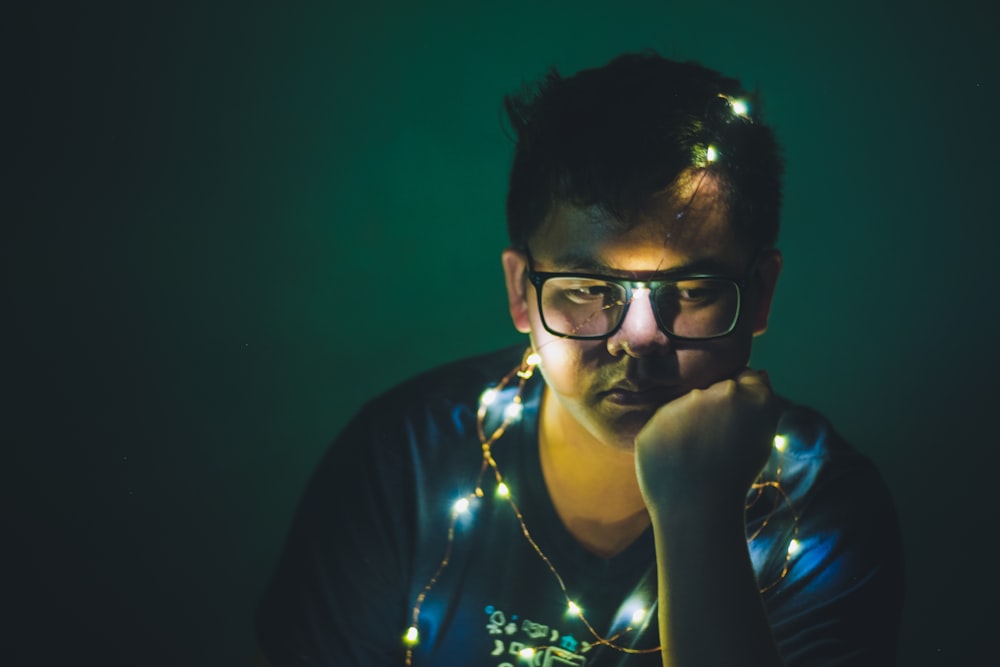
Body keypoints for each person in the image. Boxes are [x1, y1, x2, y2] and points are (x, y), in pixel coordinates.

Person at [254, 51, 904, 666]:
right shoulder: (405, 465)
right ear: (520, 292)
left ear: (760, 292)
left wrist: (696, 513)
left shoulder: (820, 514)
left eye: (694, 290)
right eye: (591, 290)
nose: (641, 336)